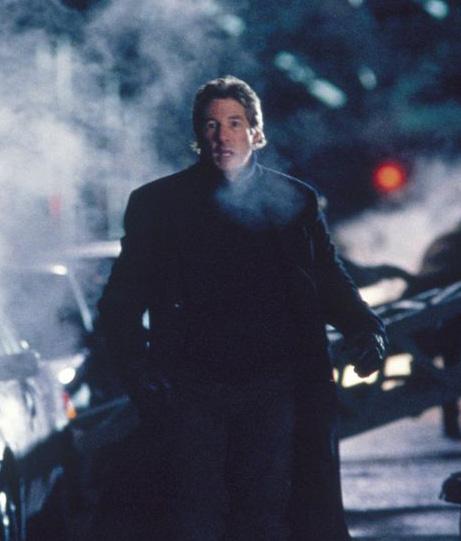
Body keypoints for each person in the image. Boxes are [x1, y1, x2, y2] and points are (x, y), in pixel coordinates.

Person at [96, 75, 387, 541]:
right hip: (192, 387)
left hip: (274, 383)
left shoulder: (293, 200)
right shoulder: (159, 204)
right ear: (199, 134)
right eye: (211, 125)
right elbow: (122, 299)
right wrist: (137, 368)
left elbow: (326, 277)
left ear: (255, 131)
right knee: (195, 517)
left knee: (266, 515)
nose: (223, 136)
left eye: (234, 123)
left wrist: (365, 326)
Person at [404, 221, 461, 439]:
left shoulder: (444, 242)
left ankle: (447, 419)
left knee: (445, 361)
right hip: (442, 323)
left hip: (433, 320)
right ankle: (448, 421)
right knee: (449, 361)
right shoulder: (451, 246)